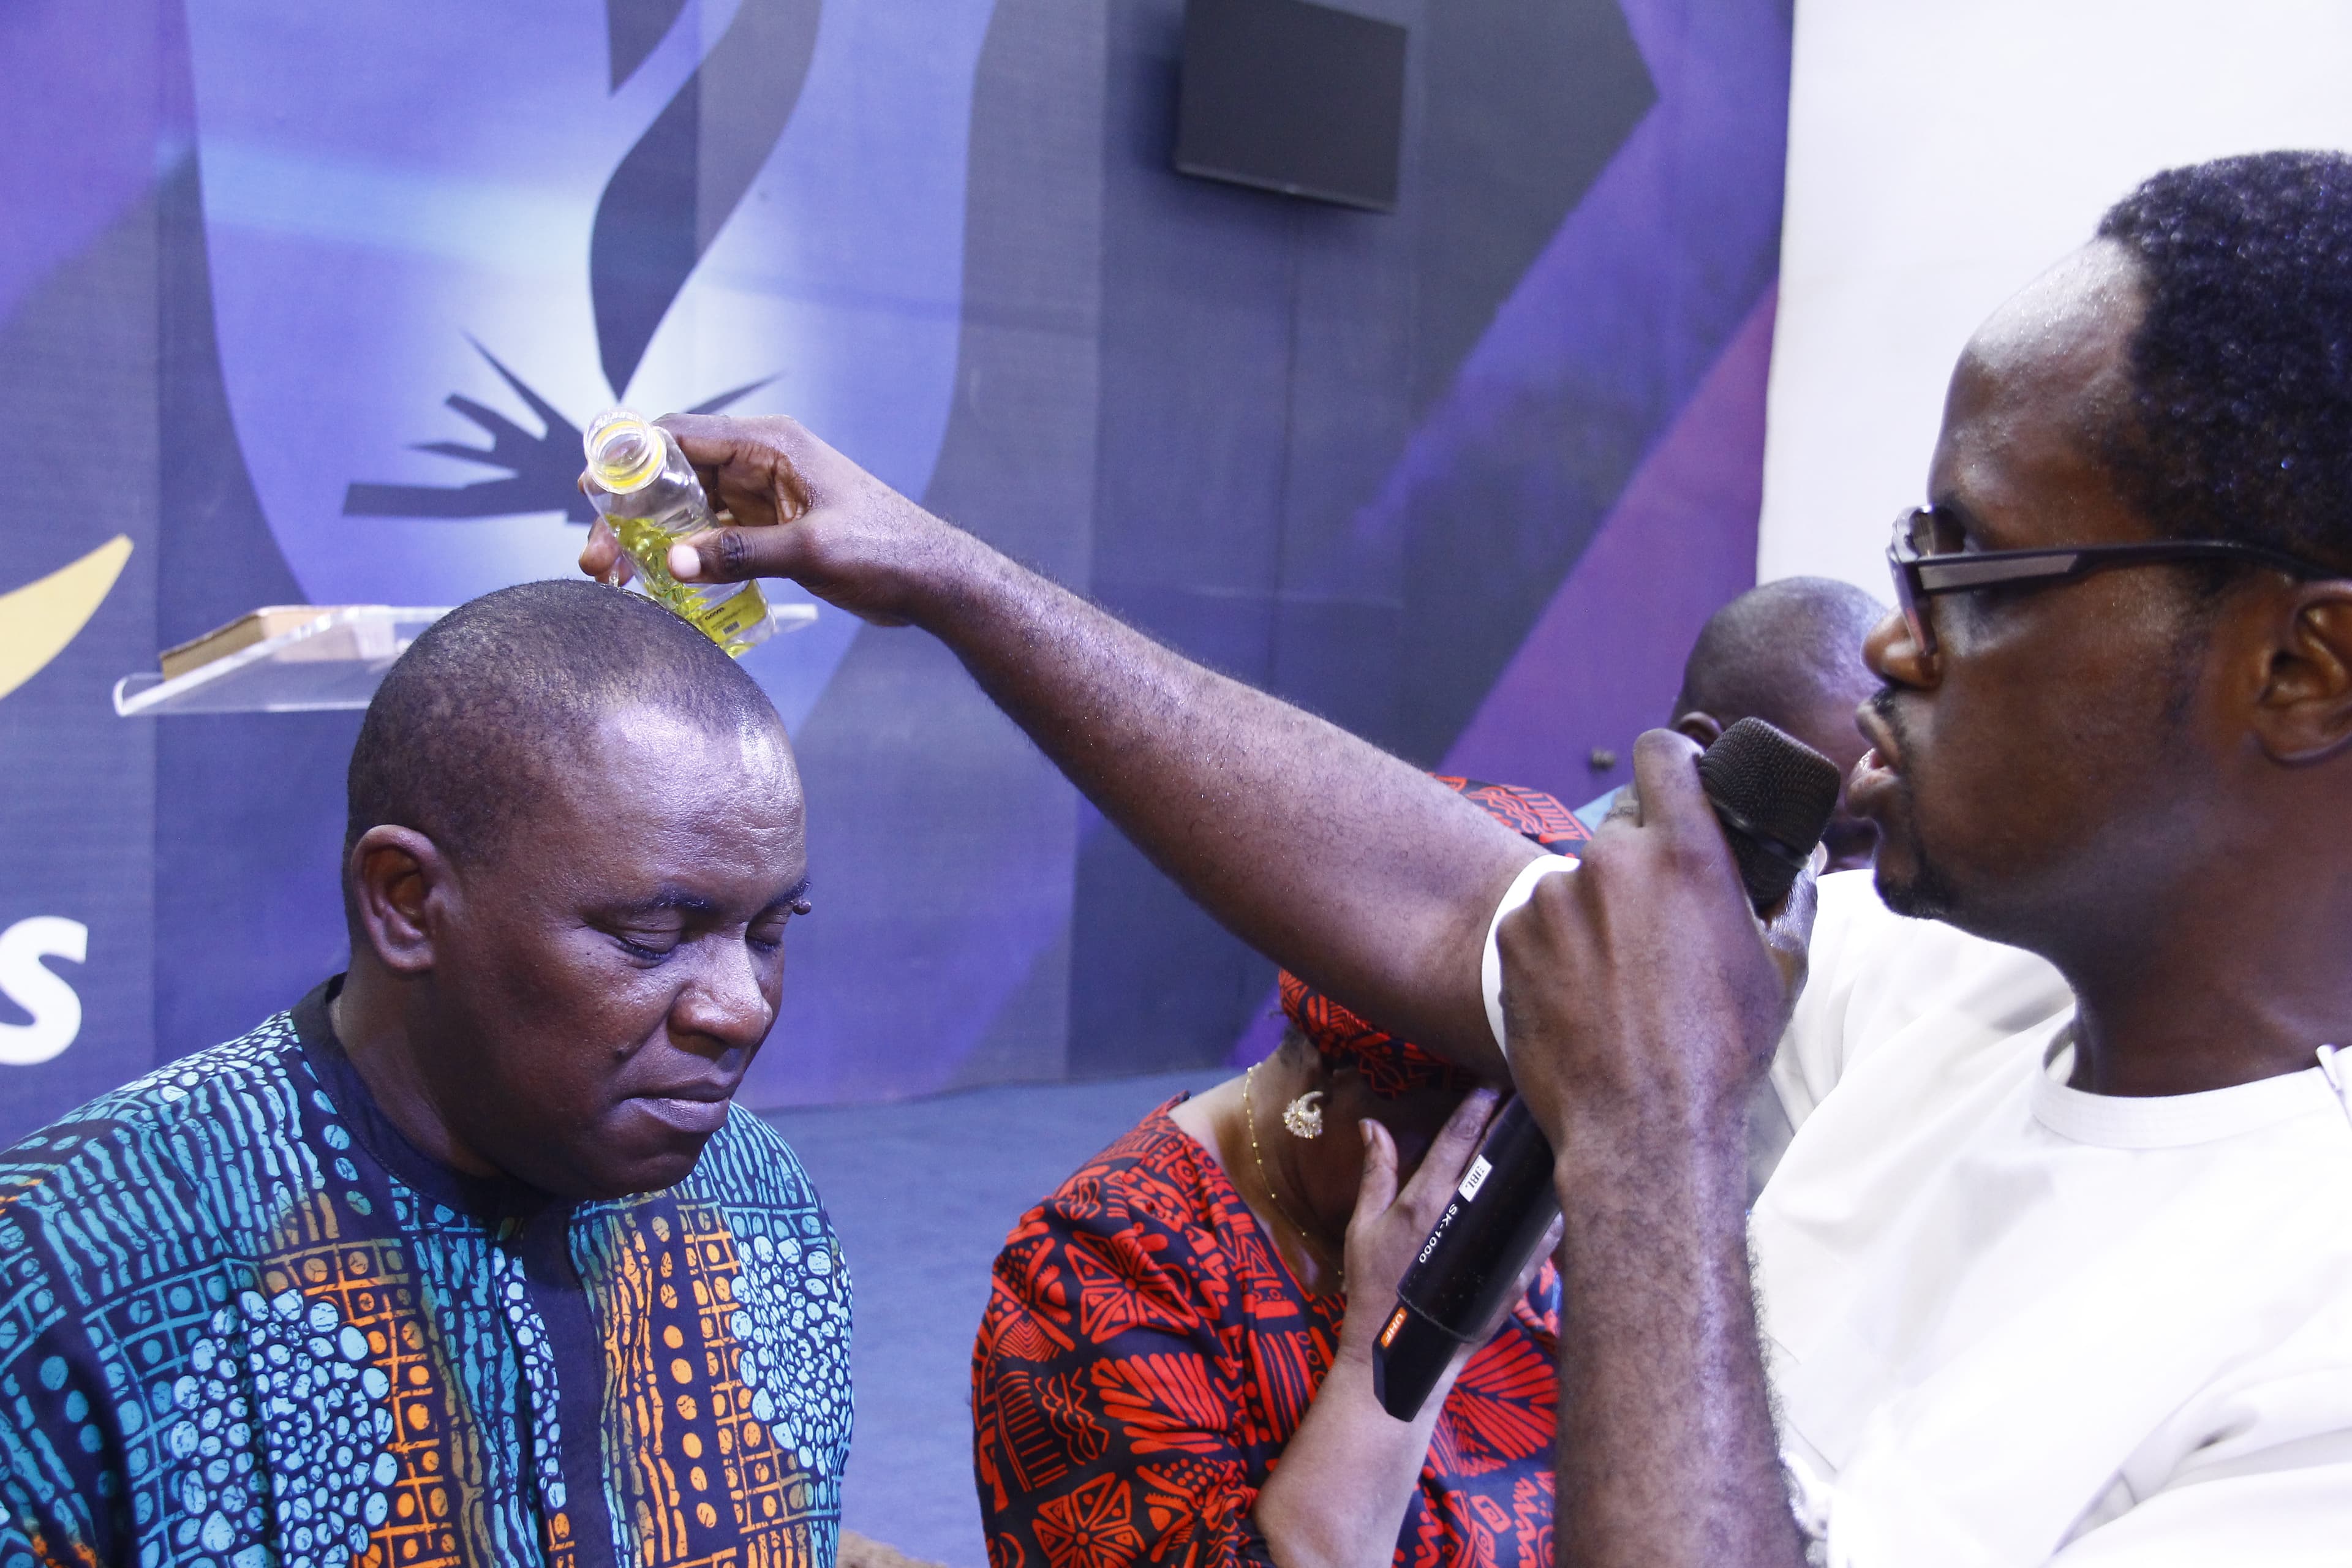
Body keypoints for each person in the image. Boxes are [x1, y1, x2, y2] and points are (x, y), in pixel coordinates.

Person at [584, 149, 2352, 1562]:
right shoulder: (1943, 1013)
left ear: (2298, 664)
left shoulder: (2307, 1368)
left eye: (1969, 570)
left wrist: (1649, 1144)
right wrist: (943, 573)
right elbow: (1447, 900)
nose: (1898, 646)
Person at [0, 582, 853, 1565]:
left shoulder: (764, 1202)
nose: (742, 1006)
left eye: (770, 932)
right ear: (406, 901)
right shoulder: (64, 1267)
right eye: (652, 935)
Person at [971, 781, 1581, 1568]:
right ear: (1334, 1075)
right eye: (1476, 1128)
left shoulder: (1517, 1203)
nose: (1511, 1169)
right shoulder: (1102, 1273)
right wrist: (1399, 1349)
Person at [1574, 576, 1888, 874]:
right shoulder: (1552, 903)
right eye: (1824, 843)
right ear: (1697, 760)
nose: (1863, 889)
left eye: (1887, 842)